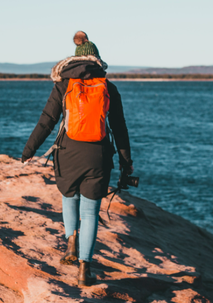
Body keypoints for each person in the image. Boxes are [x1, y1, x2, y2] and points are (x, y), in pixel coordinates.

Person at [21, 31, 133, 286]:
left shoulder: (63, 85)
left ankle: (70, 242)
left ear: (74, 59)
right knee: (91, 213)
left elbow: (47, 121)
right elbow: (120, 128)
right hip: (98, 155)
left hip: (68, 153)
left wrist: (29, 151)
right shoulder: (109, 88)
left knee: (68, 198)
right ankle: (84, 269)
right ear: (97, 60)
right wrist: (127, 163)